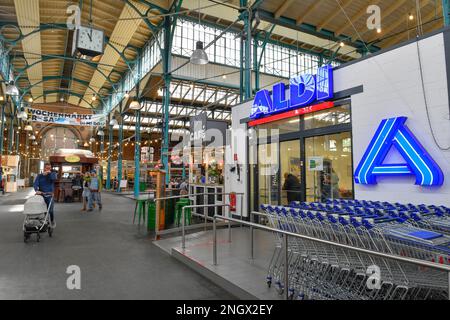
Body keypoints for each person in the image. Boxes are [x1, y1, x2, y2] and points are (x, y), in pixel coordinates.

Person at [33, 163, 57, 228]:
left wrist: (49, 173)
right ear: (44, 168)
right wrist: (36, 190)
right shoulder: (39, 176)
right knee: (41, 209)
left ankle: (52, 220)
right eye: (47, 168)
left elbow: (53, 179)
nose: (48, 169)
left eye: (50, 168)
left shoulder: (53, 174)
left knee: (50, 210)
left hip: (49, 195)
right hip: (41, 195)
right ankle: (43, 221)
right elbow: (35, 183)